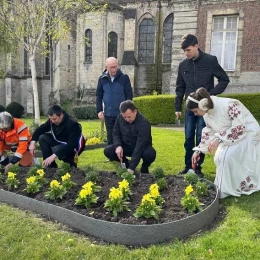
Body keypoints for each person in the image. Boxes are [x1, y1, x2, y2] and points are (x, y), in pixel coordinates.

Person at [186, 87, 260, 199]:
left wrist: (219, 139)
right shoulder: (207, 114)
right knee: (219, 158)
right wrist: (198, 150)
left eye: (195, 111)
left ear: (203, 104)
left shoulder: (229, 105)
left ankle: (221, 191)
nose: (195, 114)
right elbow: (209, 131)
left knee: (226, 157)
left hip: (249, 134)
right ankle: (229, 186)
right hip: (230, 137)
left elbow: (240, 127)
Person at [175, 33, 230, 177]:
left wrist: (210, 96)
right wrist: (177, 107)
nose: (186, 53)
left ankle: (197, 168)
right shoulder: (183, 65)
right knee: (188, 138)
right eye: (184, 51)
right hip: (189, 109)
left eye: (189, 50)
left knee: (201, 137)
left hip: (204, 109)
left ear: (196, 46)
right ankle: (188, 167)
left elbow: (224, 79)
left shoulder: (210, 61)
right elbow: (180, 87)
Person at [104, 100, 156, 174]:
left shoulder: (144, 124)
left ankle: (144, 167)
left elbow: (140, 146)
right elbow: (116, 133)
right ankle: (126, 163)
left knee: (150, 154)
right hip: (126, 146)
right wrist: (118, 145)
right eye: (124, 117)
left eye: (129, 117)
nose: (127, 119)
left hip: (141, 147)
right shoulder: (119, 118)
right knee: (108, 150)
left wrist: (132, 167)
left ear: (135, 111)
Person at [96, 57, 133, 145]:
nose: (113, 69)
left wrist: (127, 111)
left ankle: (122, 155)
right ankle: (111, 155)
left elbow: (129, 95)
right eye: (111, 67)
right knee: (110, 136)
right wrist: (99, 110)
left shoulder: (124, 78)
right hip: (108, 113)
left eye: (115, 67)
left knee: (123, 135)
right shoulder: (102, 79)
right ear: (106, 67)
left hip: (121, 114)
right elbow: (99, 95)